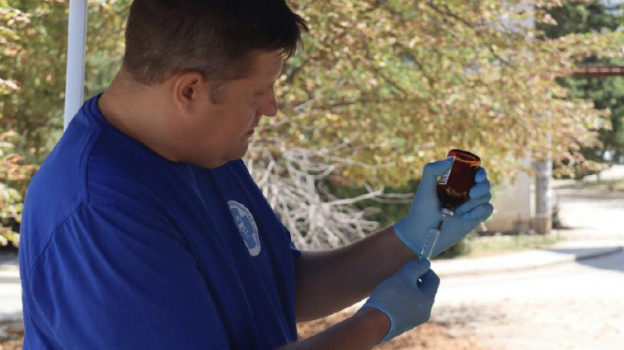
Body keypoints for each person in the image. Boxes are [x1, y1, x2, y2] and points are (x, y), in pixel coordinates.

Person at [18, 0, 493, 349]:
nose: (272, 108)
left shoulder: (205, 154)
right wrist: (371, 325)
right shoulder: (100, 210)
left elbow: (276, 287)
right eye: (259, 92)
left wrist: (410, 238)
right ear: (189, 90)